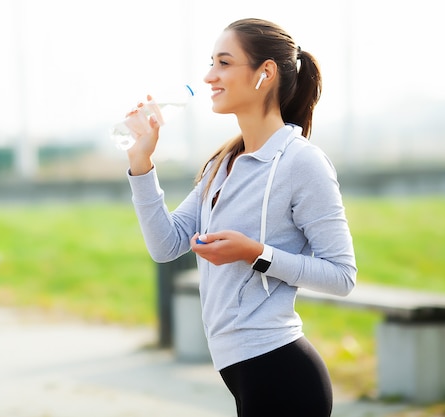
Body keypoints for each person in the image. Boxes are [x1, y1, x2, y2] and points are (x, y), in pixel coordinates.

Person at [124, 18, 356, 417]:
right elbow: (166, 246)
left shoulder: (302, 163)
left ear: (264, 73)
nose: (209, 75)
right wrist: (141, 163)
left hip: (283, 375)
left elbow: (342, 275)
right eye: (212, 62)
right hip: (244, 375)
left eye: (224, 63)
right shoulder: (223, 164)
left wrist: (255, 253)